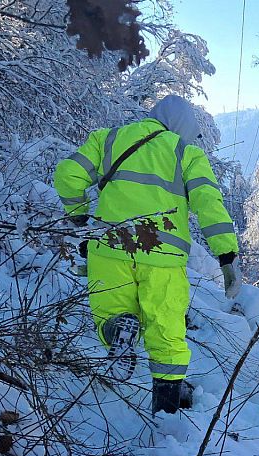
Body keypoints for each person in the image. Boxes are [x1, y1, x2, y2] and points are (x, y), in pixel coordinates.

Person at [54, 95, 241, 415]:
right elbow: (209, 204)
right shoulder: (186, 152)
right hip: (162, 259)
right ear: (182, 127)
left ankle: (119, 328)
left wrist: (80, 217)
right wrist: (226, 255)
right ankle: (167, 415)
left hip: (109, 247)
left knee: (109, 316)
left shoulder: (109, 139)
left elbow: (67, 174)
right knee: (166, 334)